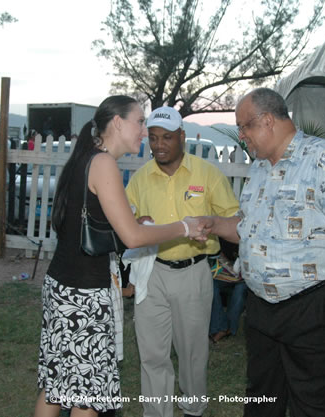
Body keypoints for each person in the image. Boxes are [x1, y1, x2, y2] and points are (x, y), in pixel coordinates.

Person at [197, 88, 325, 417]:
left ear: (267, 121)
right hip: (262, 308)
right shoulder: (260, 168)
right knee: (262, 397)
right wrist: (213, 223)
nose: (241, 136)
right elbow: (247, 228)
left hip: (313, 305)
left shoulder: (322, 159)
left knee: (310, 402)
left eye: (244, 127)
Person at [34, 96, 209, 417]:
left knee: (57, 386)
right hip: (85, 295)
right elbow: (133, 237)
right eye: (140, 122)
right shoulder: (103, 164)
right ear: (117, 123)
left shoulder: (84, 157)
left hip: (62, 287)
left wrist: (131, 224)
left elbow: (93, 226)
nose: (144, 131)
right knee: (88, 396)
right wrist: (183, 227)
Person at [125, 106, 239, 417]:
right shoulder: (139, 178)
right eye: (152, 137)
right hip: (152, 271)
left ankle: (193, 407)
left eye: (167, 137)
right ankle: (157, 412)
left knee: (192, 351)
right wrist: (137, 221)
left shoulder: (207, 174)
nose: (159, 144)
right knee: (151, 352)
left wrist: (209, 222)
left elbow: (234, 221)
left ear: (181, 137)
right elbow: (125, 224)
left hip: (193, 273)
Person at [208, 240, 247, 343]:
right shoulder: (223, 231)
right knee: (211, 285)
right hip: (226, 269)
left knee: (240, 290)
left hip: (246, 273)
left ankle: (228, 328)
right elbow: (218, 254)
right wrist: (231, 270)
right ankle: (221, 327)